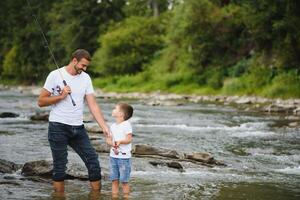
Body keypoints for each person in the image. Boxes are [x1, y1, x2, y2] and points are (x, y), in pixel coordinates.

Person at [38, 49, 110, 193]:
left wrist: (104, 126)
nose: (84, 69)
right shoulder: (55, 75)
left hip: (78, 128)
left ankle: (96, 196)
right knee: (60, 167)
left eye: (86, 66)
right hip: (58, 127)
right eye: (83, 65)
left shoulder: (86, 78)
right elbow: (41, 101)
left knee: (93, 161)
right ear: (74, 61)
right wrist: (61, 96)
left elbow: (93, 105)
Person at [106, 103, 133, 199]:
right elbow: (108, 140)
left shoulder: (126, 125)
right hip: (113, 157)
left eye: (115, 108)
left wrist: (121, 141)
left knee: (124, 181)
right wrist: (111, 143)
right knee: (114, 180)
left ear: (121, 114)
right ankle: (114, 197)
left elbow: (129, 139)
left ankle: (126, 197)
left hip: (124, 158)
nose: (113, 110)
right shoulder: (112, 126)